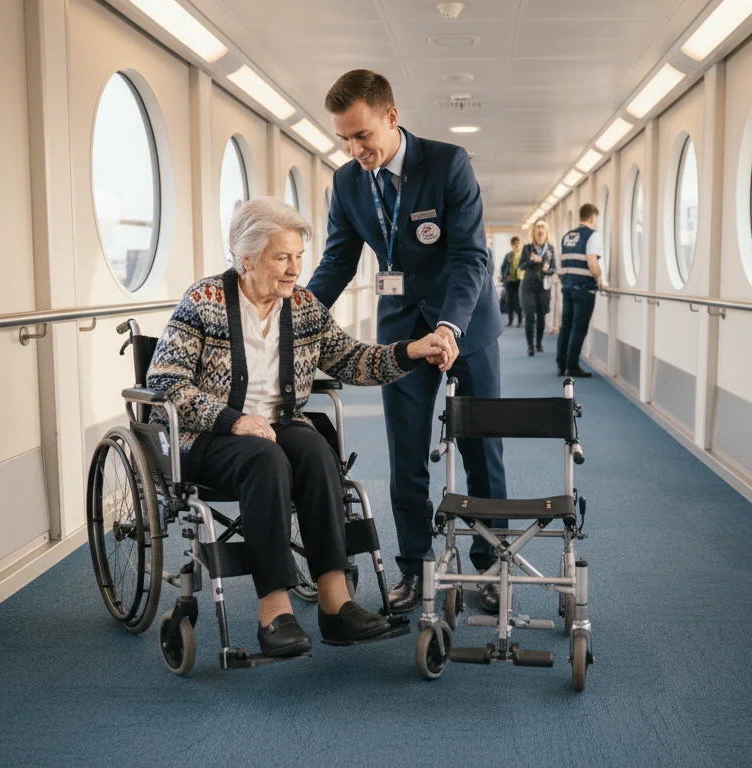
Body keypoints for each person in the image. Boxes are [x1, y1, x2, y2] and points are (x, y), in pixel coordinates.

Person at [145, 197, 452, 658]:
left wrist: (412, 350)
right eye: (282, 257)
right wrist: (233, 419)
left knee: (314, 451)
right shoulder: (203, 301)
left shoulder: (303, 305)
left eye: (299, 257)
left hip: (277, 425)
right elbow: (166, 382)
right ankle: (274, 611)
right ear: (246, 259)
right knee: (267, 458)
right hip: (205, 436)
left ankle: (336, 604)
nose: (294, 269)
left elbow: (351, 358)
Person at [306, 69, 508, 615]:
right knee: (406, 454)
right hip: (400, 328)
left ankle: (490, 564)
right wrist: (294, 316)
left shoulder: (447, 164)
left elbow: (471, 258)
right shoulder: (347, 182)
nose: (354, 149)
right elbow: (336, 263)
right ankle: (416, 569)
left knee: (482, 448)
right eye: (344, 138)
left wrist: (449, 328)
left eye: (362, 135)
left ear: (391, 118)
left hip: (466, 325)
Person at [555, 203, 604, 378]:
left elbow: (560, 263)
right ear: (592, 217)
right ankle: (572, 366)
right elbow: (592, 262)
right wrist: (599, 279)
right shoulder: (593, 236)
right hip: (584, 288)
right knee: (579, 327)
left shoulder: (568, 236)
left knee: (566, 325)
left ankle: (561, 364)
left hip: (567, 286)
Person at [519, 221, 556, 356]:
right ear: (534, 233)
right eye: (538, 229)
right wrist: (531, 261)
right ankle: (530, 346)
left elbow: (554, 269)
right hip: (528, 287)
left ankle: (539, 342)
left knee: (541, 317)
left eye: (542, 229)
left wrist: (546, 268)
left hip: (544, 288)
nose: (540, 232)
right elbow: (521, 266)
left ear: (546, 233)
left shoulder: (550, 249)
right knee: (529, 316)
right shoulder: (527, 248)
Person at [499, 236, 523, 327]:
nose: (515, 246)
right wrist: (506, 276)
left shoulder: (522, 255)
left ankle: (520, 321)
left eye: (517, 244)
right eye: (514, 244)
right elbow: (503, 268)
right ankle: (510, 320)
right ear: (512, 245)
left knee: (518, 301)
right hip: (510, 281)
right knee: (510, 302)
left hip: (519, 281)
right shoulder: (508, 255)